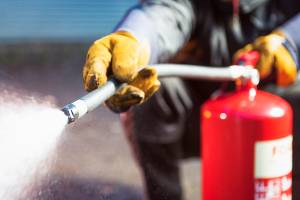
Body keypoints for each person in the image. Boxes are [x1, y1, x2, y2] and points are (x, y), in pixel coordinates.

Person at [82, 0, 300, 199]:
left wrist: (291, 42)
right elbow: (162, 14)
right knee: (150, 90)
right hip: (200, 114)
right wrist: (133, 37)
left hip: (279, 119)